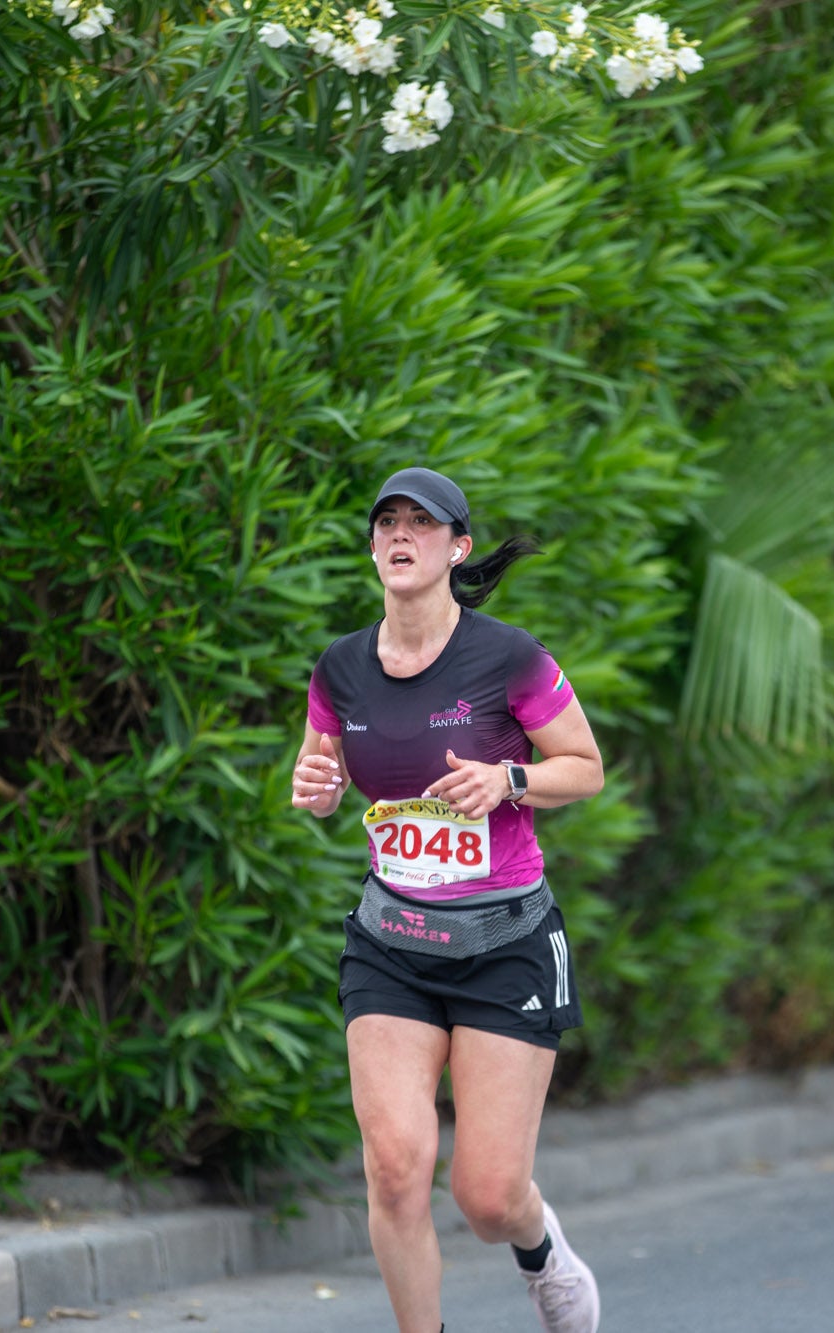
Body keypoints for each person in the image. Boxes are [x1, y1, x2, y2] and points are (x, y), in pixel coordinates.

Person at [290, 466, 604, 1333]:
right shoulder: (342, 667)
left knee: (488, 1195)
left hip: (506, 942)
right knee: (394, 1169)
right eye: (386, 521)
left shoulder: (509, 657)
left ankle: (543, 1253)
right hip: (392, 942)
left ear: (456, 548)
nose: (400, 535)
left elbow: (585, 768)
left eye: (421, 524)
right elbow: (324, 774)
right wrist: (316, 787)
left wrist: (508, 779)